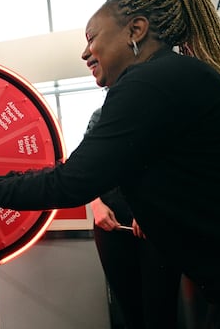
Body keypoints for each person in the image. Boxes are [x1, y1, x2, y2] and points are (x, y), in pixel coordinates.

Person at [0, 0, 220, 328]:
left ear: (136, 30)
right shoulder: (176, 76)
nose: (85, 53)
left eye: (92, 37)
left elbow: (69, 183)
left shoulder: (148, 82)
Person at [86, 108, 181, 329]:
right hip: (111, 224)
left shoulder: (159, 109)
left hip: (156, 223)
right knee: (129, 312)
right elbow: (87, 166)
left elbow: (172, 168)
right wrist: (96, 205)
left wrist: (150, 208)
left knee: (161, 313)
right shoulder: (101, 115)